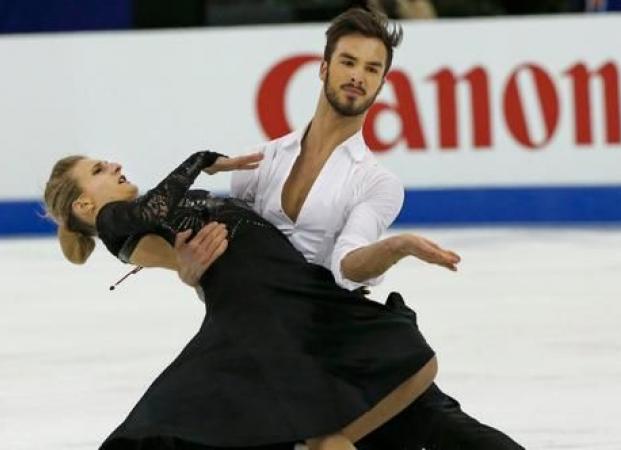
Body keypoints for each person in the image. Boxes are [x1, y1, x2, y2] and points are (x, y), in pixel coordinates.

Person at [131, 7, 524, 450]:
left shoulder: (375, 183)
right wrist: (190, 269)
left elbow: (348, 264)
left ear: (382, 84)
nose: (358, 76)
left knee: (449, 435)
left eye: (372, 68)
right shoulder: (261, 164)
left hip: (342, 344)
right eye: (348, 62)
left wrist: (397, 246)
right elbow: (235, 260)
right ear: (323, 68)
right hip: (272, 356)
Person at [43, 151, 440, 450]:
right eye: (98, 171)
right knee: (333, 418)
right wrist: (200, 159)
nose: (112, 165)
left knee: (331, 425)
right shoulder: (115, 220)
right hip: (266, 310)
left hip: (288, 296)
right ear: (84, 206)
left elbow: (182, 254)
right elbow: (163, 229)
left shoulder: (138, 225)